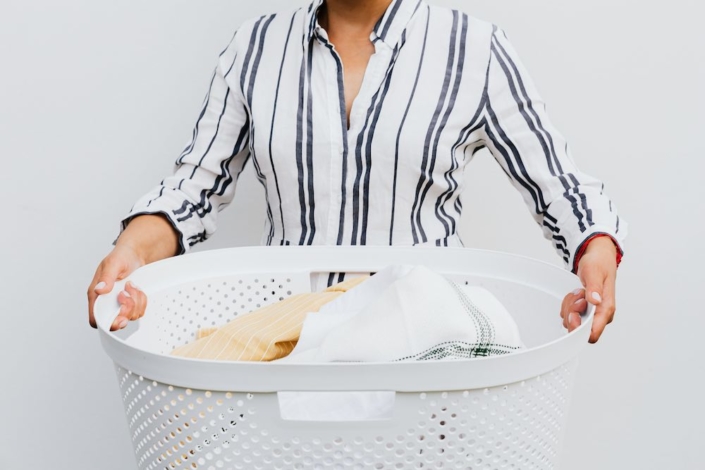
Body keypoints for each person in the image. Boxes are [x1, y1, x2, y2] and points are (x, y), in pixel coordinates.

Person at [87, 0, 626, 343]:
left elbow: (558, 183)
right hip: (288, 342)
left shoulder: (475, 48)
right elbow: (197, 184)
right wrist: (131, 253)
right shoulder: (255, 47)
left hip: (429, 344)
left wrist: (595, 248)